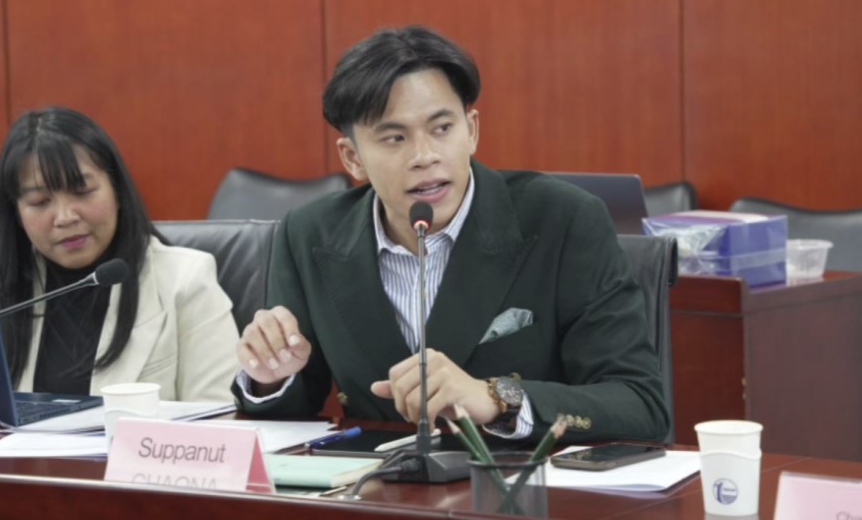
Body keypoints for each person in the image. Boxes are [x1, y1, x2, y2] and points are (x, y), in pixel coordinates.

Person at [234, 25, 670, 443]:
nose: (425, 156)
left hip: (518, 481)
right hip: (378, 484)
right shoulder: (310, 235)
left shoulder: (563, 220)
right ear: (353, 158)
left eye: (442, 129)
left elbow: (639, 405)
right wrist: (270, 377)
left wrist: (497, 399)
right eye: (394, 138)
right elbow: (292, 411)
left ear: (471, 129)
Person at [0, 106, 239, 403]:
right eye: (40, 201)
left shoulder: (185, 281)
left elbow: (218, 416)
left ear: (117, 189)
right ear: (16, 213)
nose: (65, 217)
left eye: (82, 191)